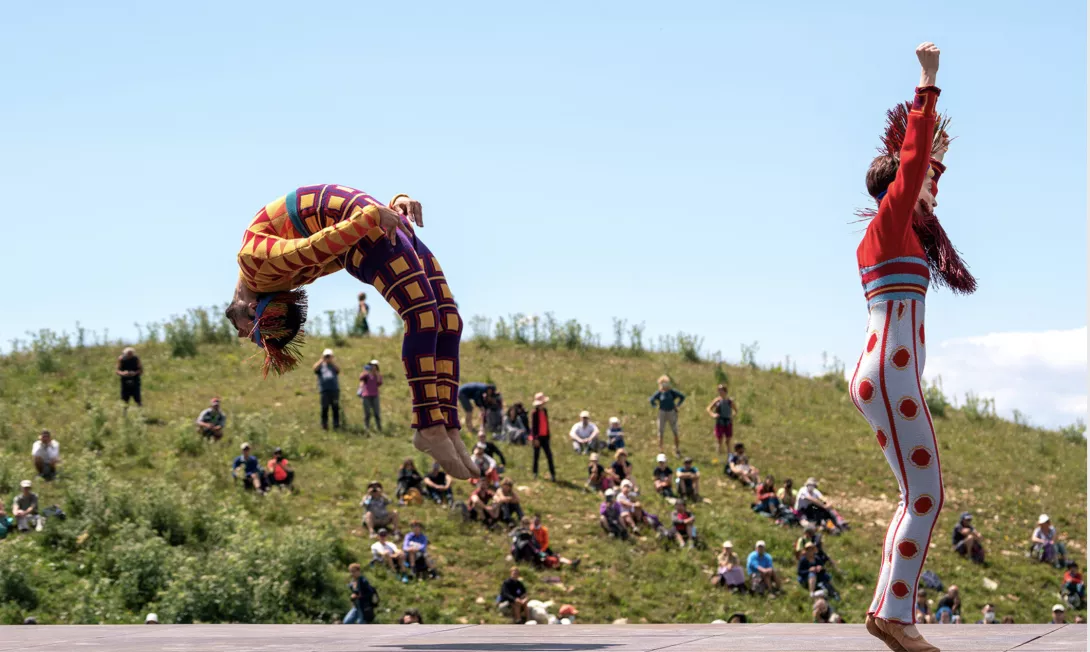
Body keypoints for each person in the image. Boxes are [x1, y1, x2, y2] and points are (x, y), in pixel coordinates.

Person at [849, 44, 974, 652]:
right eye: (923, 183)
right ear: (897, 187)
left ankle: (887, 610)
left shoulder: (898, 233)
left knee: (916, 496)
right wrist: (927, 84)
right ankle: (895, 615)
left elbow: (926, 173)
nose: (931, 192)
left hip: (884, 371)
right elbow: (915, 163)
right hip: (891, 373)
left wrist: (937, 163)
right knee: (924, 495)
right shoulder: (892, 222)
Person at [224, 185, 475, 480]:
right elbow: (330, 245)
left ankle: (446, 423)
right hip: (360, 231)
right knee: (423, 314)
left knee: (448, 319)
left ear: (251, 308)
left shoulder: (255, 261)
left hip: (363, 224)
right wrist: (382, 211)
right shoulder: (277, 281)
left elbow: (313, 247)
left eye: (254, 331)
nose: (255, 335)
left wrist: (380, 212)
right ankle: (430, 425)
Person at [649, 376, 686, 457]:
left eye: (665, 383)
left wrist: (677, 405)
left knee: (675, 431)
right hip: (662, 412)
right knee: (660, 431)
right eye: (662, 383)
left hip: (671, 412)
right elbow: (651, 399)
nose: (664, 385)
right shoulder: (659, 393)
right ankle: (661, 450)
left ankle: (677, 449)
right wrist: (655, 406)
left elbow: (682, 397)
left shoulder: (672, 392)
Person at [529, 393, 556, 481]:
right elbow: (533, 427)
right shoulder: (534, 413)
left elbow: (546, 424)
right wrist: (535, 438)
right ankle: (535, 472)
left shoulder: (545, 411)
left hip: (545, 437)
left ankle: (553, 474)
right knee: (536, 456)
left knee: (549, 455)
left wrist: (548, 435)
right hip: (538, 437)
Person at [706, 384, 738, 457]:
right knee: (719, 438)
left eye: (721, 390)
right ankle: (719, 452)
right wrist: (713, 414)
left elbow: (735, 410)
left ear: (725, 391)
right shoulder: (717, 400)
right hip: (719, 421)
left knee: (728, 439)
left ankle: (729, 453)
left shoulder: (730, 401)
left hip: (728, 421)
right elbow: (708, 408)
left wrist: (732, 416)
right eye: (719, 390)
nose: (720, 392)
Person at [314, 349, 342, 430]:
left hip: (334, 390)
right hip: (324, 390)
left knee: (335, 407)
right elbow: (314, 369)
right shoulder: (320, 365)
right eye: (326, 356)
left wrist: (332, 361)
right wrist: (321, 360)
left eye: (329, 356)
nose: (327, 357)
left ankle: (336, 424)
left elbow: (338, 370)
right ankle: (324, 424)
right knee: (324, 408)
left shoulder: (333, 366)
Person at [358, 360, 383, 433]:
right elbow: (361, 377)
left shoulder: (378, 375)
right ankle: (366, 428)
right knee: (367, 413)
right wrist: (366, 371)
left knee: (377, 413)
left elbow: (379, 383)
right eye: (372, 365)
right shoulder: (366, 374)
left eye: (374, 365)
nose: (373, 367)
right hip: (366, 395)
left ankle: (379, 428)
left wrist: (376, 374)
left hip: (375, 395)